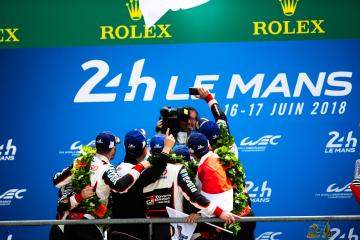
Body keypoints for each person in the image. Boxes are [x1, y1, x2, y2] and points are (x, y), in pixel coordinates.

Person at [53, 131, 151, 240]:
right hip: (90, 226)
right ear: (113, 149)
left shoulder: (80, 162)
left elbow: (56, 181)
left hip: (68, 225)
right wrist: (141, 166)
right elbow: (120, 186)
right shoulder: (106, 168)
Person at [143, 134, 236, 240]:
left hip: (152, 231)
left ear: (149, 151)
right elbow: (195, 196)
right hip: (176, 230)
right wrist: (219, 212)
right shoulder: (177, 170)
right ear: (170, 149)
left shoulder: (142, 173)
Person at [109, 128, 175, 240]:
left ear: (125, 147)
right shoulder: (139, 173)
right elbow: (157, 169)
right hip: (135, 233)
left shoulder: (114, 169)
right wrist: (167, 148)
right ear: (145, 149)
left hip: (115, 230)